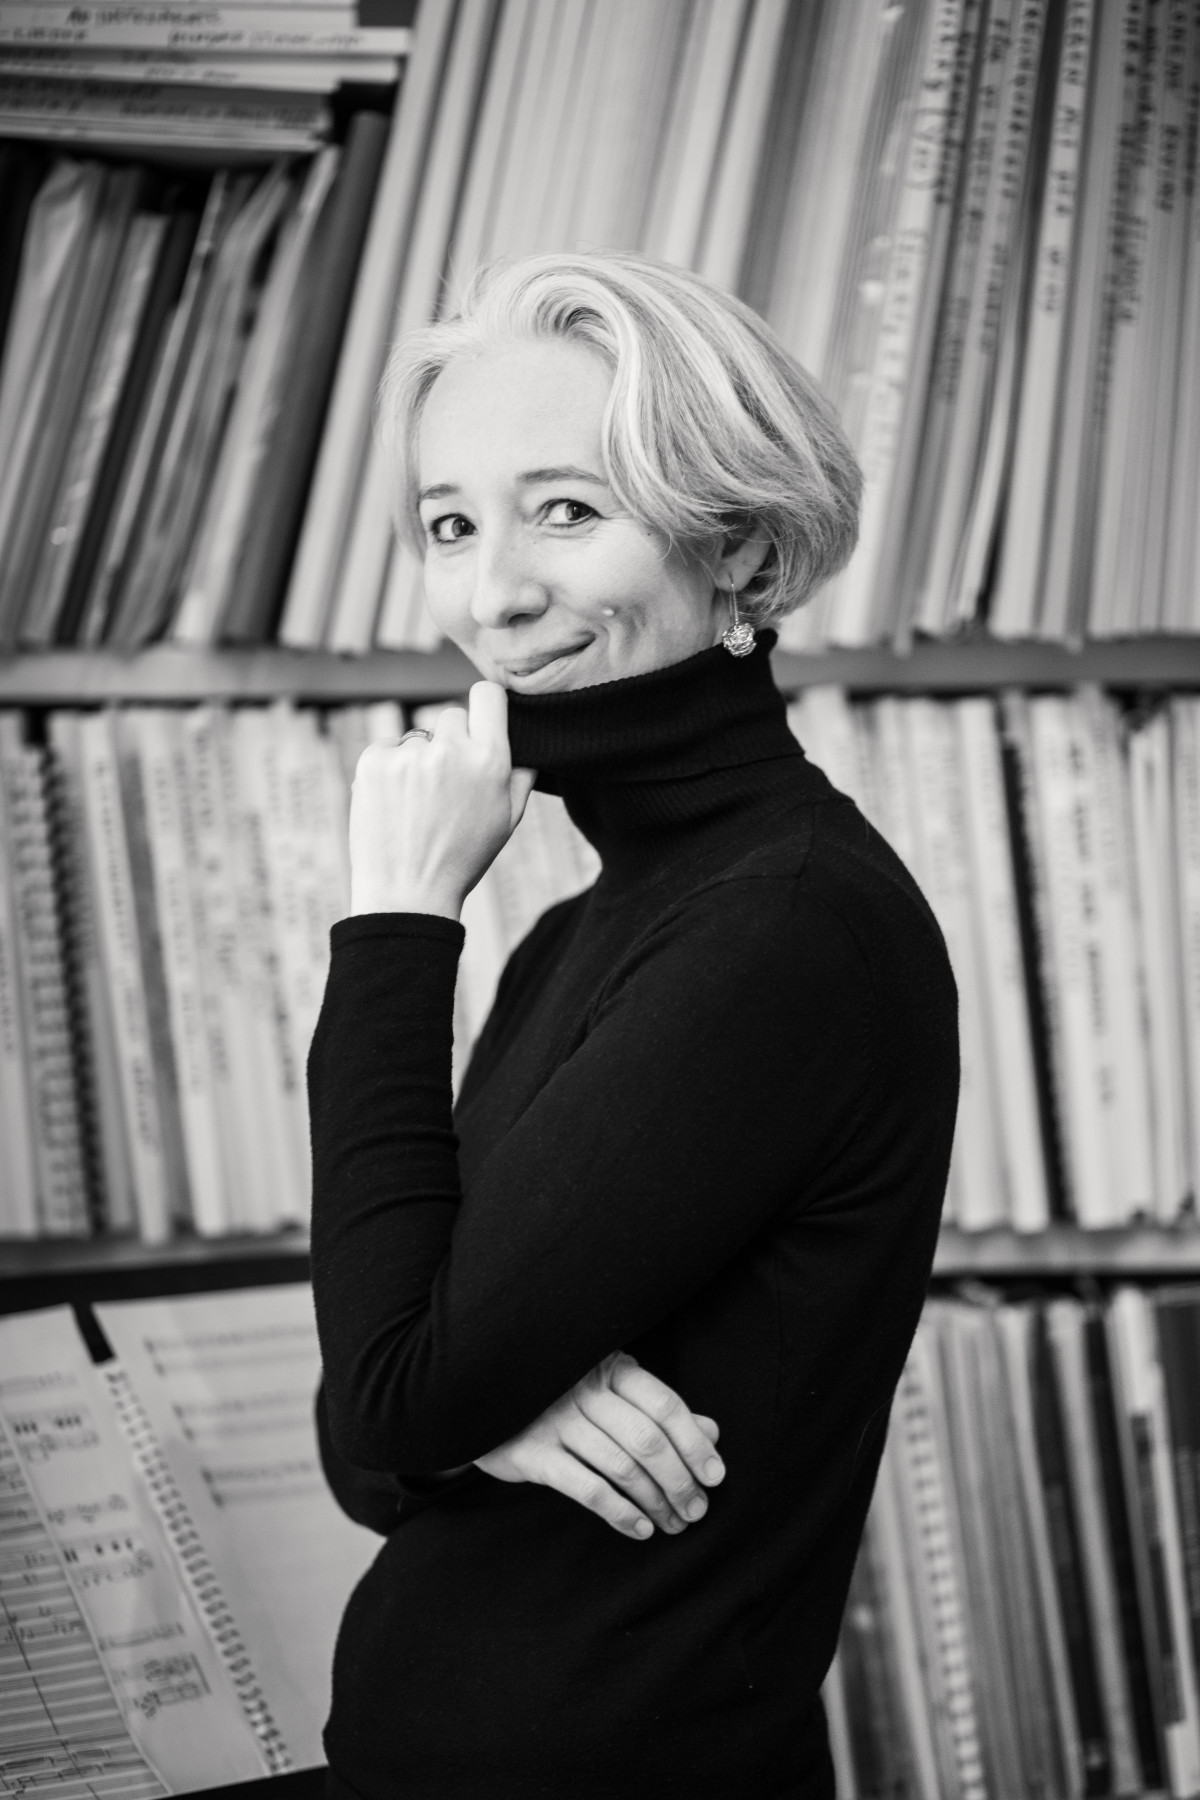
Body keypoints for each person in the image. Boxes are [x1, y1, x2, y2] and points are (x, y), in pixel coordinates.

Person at [309, 251, 958, 1800]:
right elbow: (368, 1439)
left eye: (566, 510)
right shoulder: (580, 933)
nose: (495, 594)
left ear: (742, 552)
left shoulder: (783, 930)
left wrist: (395, 923)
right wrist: (474, 1421)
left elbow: (388, 1393)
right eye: (452, 525)